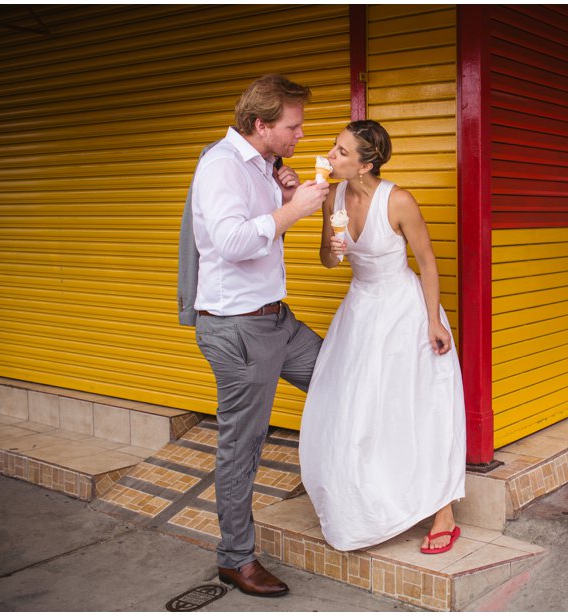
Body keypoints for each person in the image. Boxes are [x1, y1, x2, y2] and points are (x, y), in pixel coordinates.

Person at [187, 74, 329, 596]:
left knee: (341, 379)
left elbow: (260, 229)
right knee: (242, 447)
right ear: (260, 124)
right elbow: (231, 242)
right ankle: (235, 559)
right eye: (293, 126)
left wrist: (282, 192)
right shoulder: (222, 166)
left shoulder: (260, 166)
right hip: (239, 328)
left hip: (276, 320)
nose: (300, 134)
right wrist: (292, 209)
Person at [299, 120, 466, 554]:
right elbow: (328, 260)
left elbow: (427, 262)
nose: (330, 156)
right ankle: (366, 501)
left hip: (403, 310)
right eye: (333, 148)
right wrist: (332, 249)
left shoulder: (399, 200)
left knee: (418, 405)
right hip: (360, 311)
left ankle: (443, 512)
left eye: (340, 152)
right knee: (355, 408)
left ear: (364, 164)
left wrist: (433, 321)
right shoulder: (332, 196)